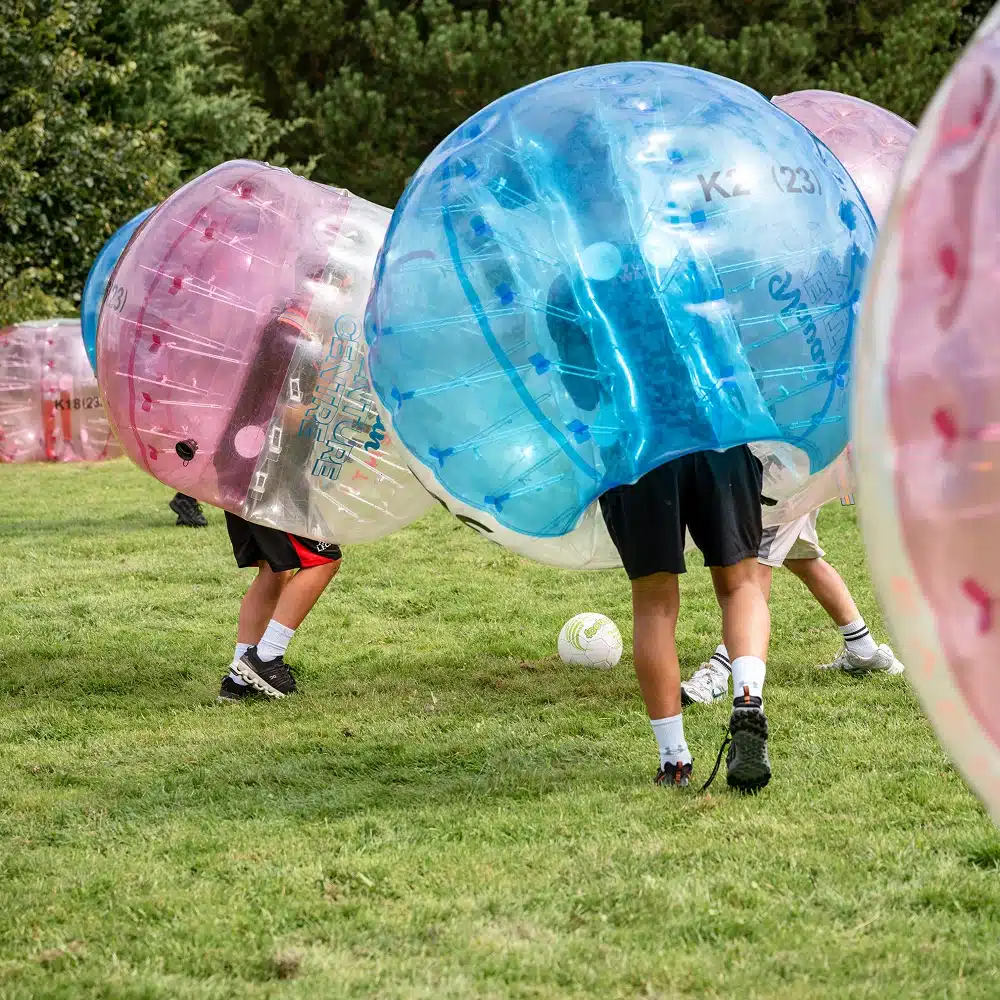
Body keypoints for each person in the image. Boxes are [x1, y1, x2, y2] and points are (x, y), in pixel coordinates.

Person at [681, 508, 904, 706]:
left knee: (755, 562)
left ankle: (718, 674)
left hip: (784, 477)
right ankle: (863, 648)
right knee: (799, 555)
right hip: (794, 477)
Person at [218, 514, 341, 701]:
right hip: (274, 490)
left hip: (240, 489)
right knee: (324, 559)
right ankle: (265, 658)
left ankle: (238, 681)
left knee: (274, 567)